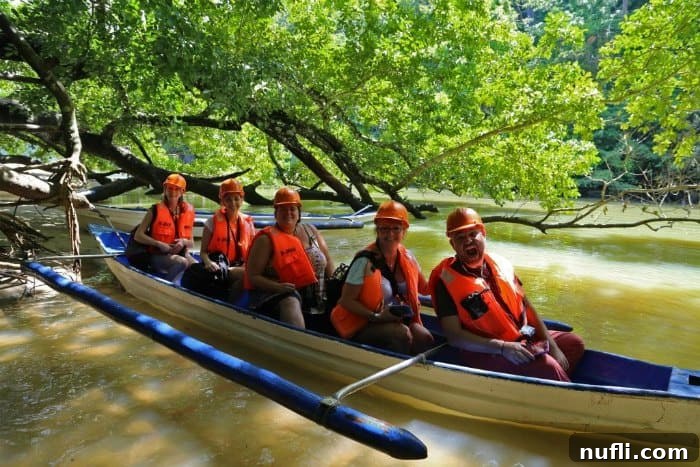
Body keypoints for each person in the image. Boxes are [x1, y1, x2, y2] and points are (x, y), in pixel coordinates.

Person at [428, 207, 585, 381]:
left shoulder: (500, 264)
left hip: (522, 335)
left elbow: (527, 307)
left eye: (473, 234)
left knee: (573, 344)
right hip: (485, 350)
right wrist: (503, 347)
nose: (468, 241)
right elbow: (454, 337)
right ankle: (559, 388)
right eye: (460, 237)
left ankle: (544, 388)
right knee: (548, 366)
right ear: (453, 244)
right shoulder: (446, 281)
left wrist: (553, 345)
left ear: (483, 234)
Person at [330, 200, 435, 354]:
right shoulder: (364, 261)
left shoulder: (408, 257)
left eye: (396, 228)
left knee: (425, 338)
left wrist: (445, 271)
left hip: (395, 319)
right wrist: (377, 316)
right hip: (364, 323)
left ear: (404, 231)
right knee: (401, 334)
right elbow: (345, 300)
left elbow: (425, 289)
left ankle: (415, 371)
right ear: (377, 230)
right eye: (385, 228)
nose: (390, 234)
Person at [244, 187, 333, 328]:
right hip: (279, 294)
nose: (288, 213)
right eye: (283, 209)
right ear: (276, 213)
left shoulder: (311, 231)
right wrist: (278, 287)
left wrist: (337, 289)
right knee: (291, 302)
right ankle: (299, 342)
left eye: (292, 208)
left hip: (316, 296)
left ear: (299, 212)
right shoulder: (266, 240)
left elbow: (328, 264)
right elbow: (253, 276)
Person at [187, 178, 256, 295]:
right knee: (249, 275)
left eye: (236, 199)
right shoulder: (211, 222)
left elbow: (253, 253)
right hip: (220, 268)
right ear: (222, 201)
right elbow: (203, 252)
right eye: (228, 199)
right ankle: (228, 301)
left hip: (240, 266)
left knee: (257, 273)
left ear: (242, 199)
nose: (233, 203)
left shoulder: (248, 223)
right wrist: (208, 263)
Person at [133, 173, 197, 281]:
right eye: (170, 188)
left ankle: (190, 291)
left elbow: (191, 243)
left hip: (180, 254)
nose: (173, 192)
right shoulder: (154, 210)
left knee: (197, 268)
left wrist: (183, 242)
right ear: (165, 189)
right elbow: (138, 236)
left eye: (177, 189)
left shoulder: (188, 211)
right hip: (157, 256)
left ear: (182, 192)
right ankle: (167, 287)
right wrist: (158, 243)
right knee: (182, 262)